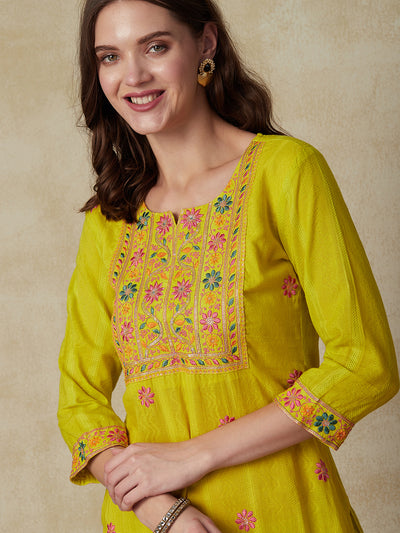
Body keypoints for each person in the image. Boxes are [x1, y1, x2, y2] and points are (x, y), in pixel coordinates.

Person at [57, 1, 399, 532]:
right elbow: (79, 401)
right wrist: (158, 507)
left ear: (206, 44)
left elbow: (365, 364)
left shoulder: (286, 173)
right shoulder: (111, 218)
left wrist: (192, 456)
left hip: (285, 509)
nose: (134, 76)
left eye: (155, 46)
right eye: (109, 56)